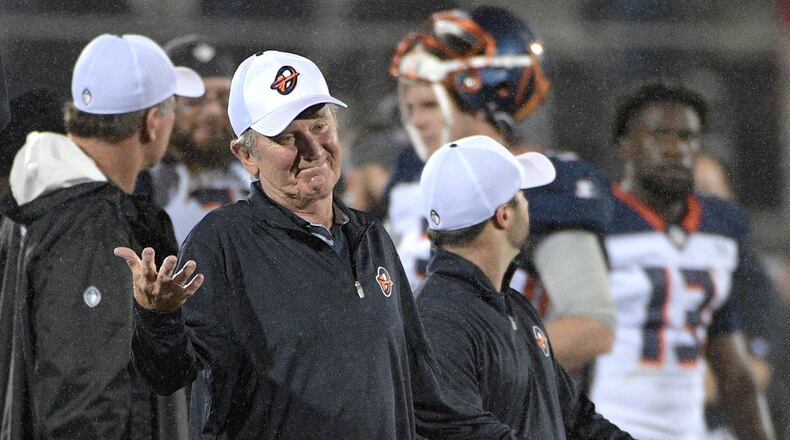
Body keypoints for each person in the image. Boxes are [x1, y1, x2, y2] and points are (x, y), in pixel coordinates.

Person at [115, 50, 493, 440]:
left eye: (320, 125)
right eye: (286, 137)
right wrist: (158, 317)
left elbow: (423, 396)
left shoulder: (370, 237)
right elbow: (168, 375)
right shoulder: (223, 242)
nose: (313, 148)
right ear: (246, 155)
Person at [387, 6, 616, 372]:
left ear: (481, 104)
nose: (416, 121)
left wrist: (481, 362)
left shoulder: (542, 182)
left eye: (429, 105)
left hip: (490, 396)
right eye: (410, 106)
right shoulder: (410, 171)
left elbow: (592, 326)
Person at [0, 34, 204, 439]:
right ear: (152, 122)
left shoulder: (39, 204)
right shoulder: (90, 225)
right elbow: (84, 402)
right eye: (171, 108)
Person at [589, 80, 776, 440]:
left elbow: (733, 371)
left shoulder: (718, 227)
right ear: (625, 144)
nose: (676, 149)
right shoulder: (597, 218)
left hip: (687, 429)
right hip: (608, 423)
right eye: (660, 135)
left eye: (687, 137)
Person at [415, 135, 633, 439]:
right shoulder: (436, 321)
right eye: (520, 195)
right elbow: (465, 432)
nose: (528, 204)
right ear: (504, 215)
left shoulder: (514, 309)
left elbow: (577, 419)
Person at [145, 35, 249, 244]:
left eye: (224, 99)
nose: (213, 112)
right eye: (196, 100)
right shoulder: (144, 183)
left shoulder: (259, 176)